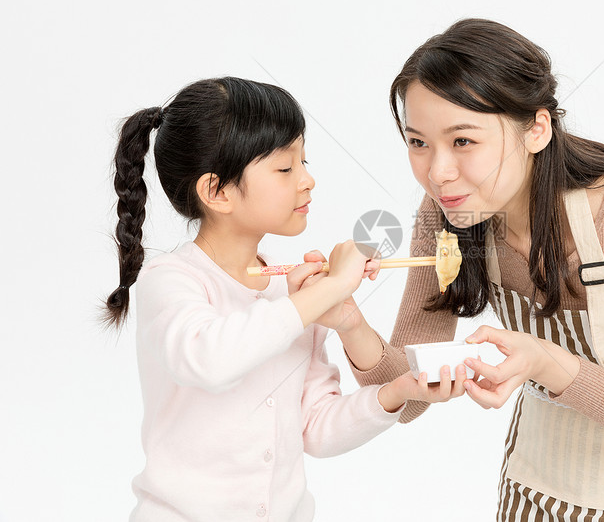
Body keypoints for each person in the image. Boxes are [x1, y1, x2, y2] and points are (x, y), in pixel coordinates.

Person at [337, 19, 604, 521]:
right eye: (418, 142)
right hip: (545, 461)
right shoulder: (448, 211)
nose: (437, 172)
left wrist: (544, 362)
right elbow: (410, 397)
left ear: (537, 129)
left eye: (463, 141)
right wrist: (348, 321)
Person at [103, 76, 458, 522]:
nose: (308, 180)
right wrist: (329, 289)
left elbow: (317, 428)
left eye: (304, 160)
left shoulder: (290, 292)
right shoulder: (170, 280)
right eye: (286, 168)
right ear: (216, 192)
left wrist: (396, 391)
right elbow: (209, 358)